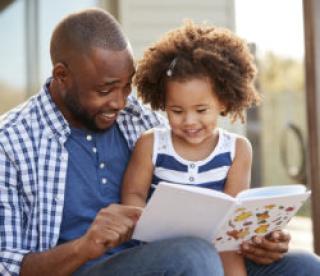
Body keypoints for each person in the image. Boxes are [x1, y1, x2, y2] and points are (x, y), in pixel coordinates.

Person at [0, 7, 318, 276]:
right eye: (106, 89)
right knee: (193, 256)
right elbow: (5, 263)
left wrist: (256, 236)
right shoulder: (12, 141)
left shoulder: (138, 118)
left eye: (127, 86)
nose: (121, 102)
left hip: (175, 256)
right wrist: (85, 247)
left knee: (304, 265)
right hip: (89, 267)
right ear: (62, 75)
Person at [121, 20, 260, 276]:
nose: (189, 121)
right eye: (176, 111)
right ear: (163, 104)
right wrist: (143, 218)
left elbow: (231, 218)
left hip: (216, 246)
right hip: (160, 249)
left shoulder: (237, 149)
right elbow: (133, 194)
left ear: (224, 101)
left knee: (227, 253)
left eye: (201, 110)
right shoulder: (152, 144)